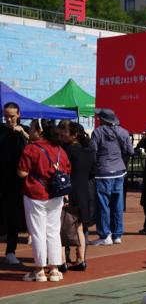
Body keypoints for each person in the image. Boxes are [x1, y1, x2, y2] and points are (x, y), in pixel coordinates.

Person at [16, 119, 71, 282]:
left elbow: (22, 172)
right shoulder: (60, 149)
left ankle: (39, 270)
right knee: (53, 231)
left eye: (32, 128)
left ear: (39, 131)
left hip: (35, 193)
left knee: (37, 232)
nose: (30, 130)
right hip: (56, 194)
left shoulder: (31, 148)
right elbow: (67, 170)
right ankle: (54, 269)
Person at [90, 108, 134, 246]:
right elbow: (130, 151)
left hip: (103, 172)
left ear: (102, 119)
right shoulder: (123, 132)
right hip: (119, 171)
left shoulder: (97, 132)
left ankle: (105, 235)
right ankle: (117, 235)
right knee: (117, 204)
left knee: (103, 205)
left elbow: (92, 151)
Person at [58, 121, 95, 270]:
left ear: (73, 135)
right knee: (80, 227)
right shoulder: (89, 150)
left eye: (63, 133)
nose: (61, 136)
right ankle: (81, 259)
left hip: (68, 191)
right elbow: (93, 172)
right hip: (84, 192)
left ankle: (62, 261)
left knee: (61, 227)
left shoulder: (66, 150)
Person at [1, 101, 29, 265]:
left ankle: (10, 251)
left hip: (17, 182)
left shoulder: (24, 130)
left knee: (14, 217)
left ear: (18, 115)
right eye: (6, 116)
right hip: (1, 179)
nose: (8, 119)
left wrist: (23, 133)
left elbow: (36, 146)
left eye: (11, 116)